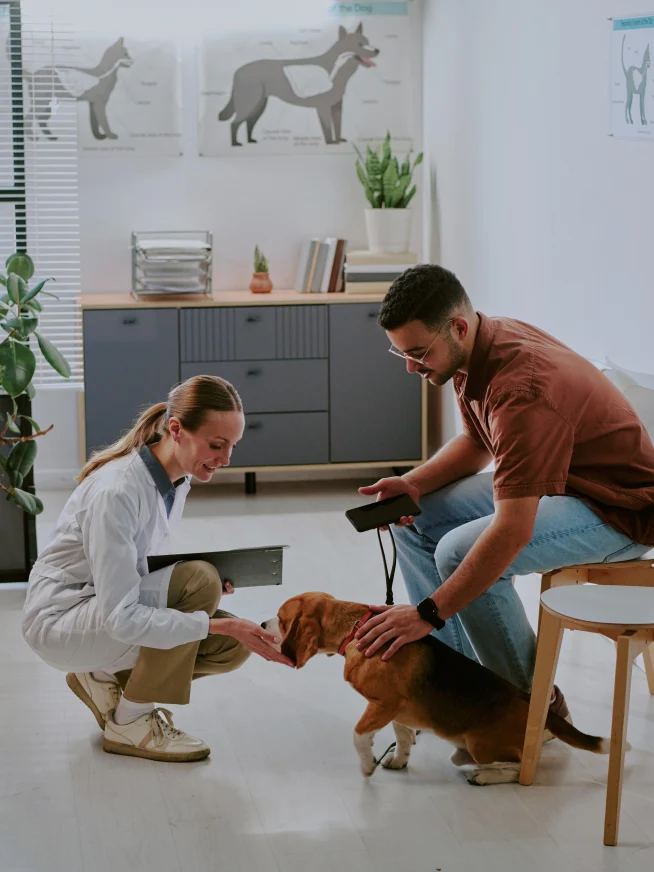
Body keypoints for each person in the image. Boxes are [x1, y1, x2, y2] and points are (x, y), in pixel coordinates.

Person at [355, 264, 654, 713]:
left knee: (459, 551)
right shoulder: (476, 344)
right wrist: (413, 483)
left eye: (418, 353)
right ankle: (458, 685)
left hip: (618, 513)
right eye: (403, 355)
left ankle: (527, 711)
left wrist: (425, 615)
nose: (412, 368)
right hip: (565, 484)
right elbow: (478, 443)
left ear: (457, 327)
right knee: (411, 517)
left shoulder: (520, 386)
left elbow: (512, 530)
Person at [23, 375, 293, 762]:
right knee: (200, 584)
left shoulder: (174, 481)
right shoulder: (118, 490)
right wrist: (211, 613)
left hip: (100, 609)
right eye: (216, 445)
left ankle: (99, 677)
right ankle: (130, 723)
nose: (226, 459)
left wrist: (214, 610)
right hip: (63, 622)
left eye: (232, 446)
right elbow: (122, 619)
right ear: (176, 429)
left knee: (231, 648)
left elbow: (133, 571)